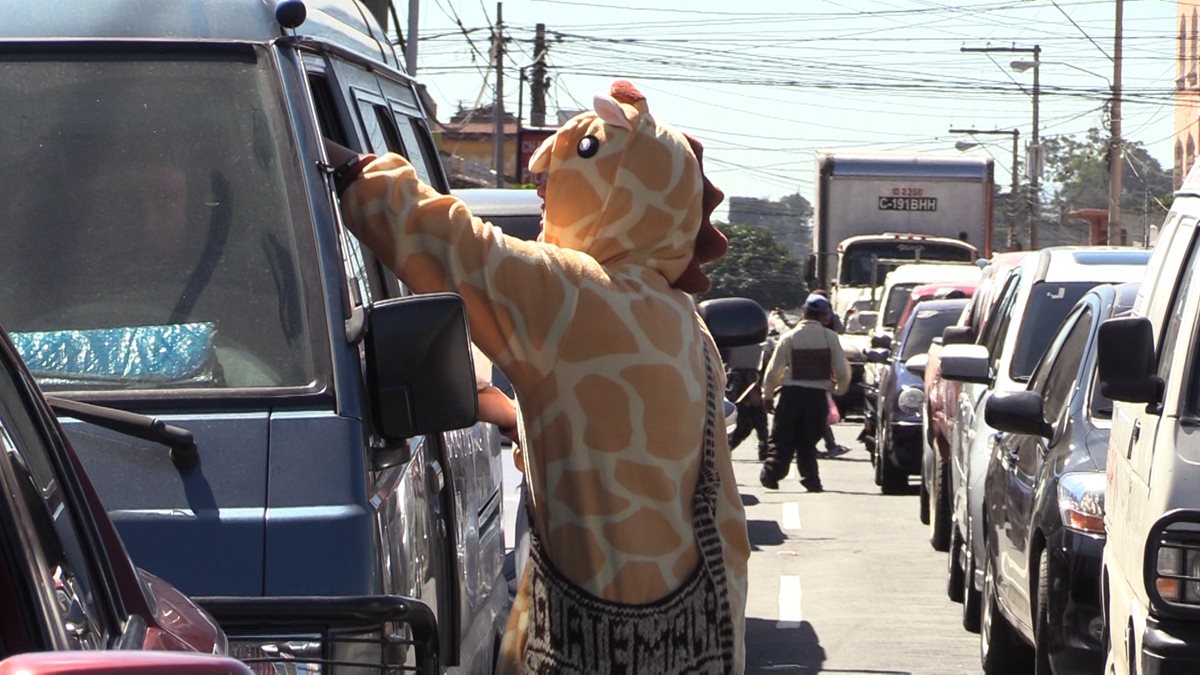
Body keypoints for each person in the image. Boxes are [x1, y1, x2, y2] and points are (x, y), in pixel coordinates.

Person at [325, 79, 749, 673]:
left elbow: (454, 245)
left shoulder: (576, 297)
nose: (543, 177)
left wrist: (348, 170)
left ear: (623, 190)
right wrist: (496, 405)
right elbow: (604, 435)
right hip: (699, 640)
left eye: (582, 155)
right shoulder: (682, 323)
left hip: (588, 643)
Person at [760, 293, 852, 492]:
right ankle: (811, 480)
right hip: (816, 398)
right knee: (808, 441)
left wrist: (767, 396)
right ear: (826, 316)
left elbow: (773, 371)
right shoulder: (830, 338)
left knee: (782, 437)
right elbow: (842, 371)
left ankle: (771, 473)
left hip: (790, 395)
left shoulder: (789, 337)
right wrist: (838, 389)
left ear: (804, 312)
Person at [811, 289, 852, 458]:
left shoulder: (798, 334)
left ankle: (827, 445)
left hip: (817, 375)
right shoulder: (827, 333)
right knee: (819, 415)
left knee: (819, 415)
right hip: (818, 376)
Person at [725, 341, 769, 460]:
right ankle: (727, 448)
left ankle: (763, 449)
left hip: (744, 381)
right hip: (744, 382)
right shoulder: (759, 345)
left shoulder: (734, 342)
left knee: (757, 425)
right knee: (748, 425)